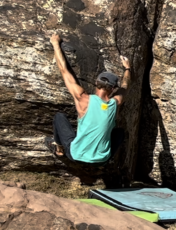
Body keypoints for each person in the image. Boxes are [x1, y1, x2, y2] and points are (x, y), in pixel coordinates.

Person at [45, 34, 131, 165]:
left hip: (76, 155)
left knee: (59, 117)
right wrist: (127, 68)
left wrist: (55, 44)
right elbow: (125, 87)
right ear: (113, 89)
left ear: (96, 83)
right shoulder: (115, 104)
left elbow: (64, 70)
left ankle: (59, 149)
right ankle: (107, 160)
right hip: (102, 159)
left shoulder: (83, 99)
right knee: (119, 133)